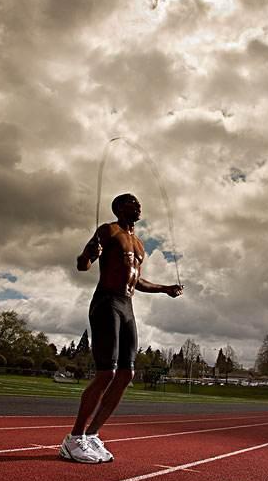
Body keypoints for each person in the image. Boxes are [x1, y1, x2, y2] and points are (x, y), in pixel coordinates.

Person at [59, 193, 183, 463]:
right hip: (106, 302)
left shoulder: (139, 243)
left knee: (126, 374)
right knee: (106, 373)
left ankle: (91, 435)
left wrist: (165, 289)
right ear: (118, 208)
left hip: (127, 306)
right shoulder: (108, 230)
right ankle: (74, 438)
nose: (138, 206)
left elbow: (136, 280)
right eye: (131, 203)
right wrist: (87, 254)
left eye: (139, 203)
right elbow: (83, 266)